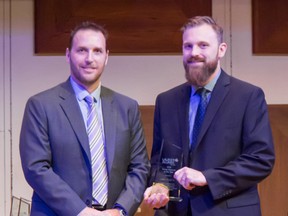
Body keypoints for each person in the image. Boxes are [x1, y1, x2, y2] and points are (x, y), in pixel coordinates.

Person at [144, 16, 275, 216]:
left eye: (203, 45)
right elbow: (160, 162)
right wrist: (160, 185)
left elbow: (260, 160)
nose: (194, 53)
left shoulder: (248, 96)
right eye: (188, 46)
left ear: (221, 49)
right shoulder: (166, 101)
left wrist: (207, 177)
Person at [19, 21, 150, 216]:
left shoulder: (127, 107)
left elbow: (139, 167)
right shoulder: (40, 105)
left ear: (106, 57)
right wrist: (81, 211)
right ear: (67, 54)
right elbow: (36, 169)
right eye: (82, 50)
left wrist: (120, 210)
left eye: (97, 51)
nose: (90, 58)